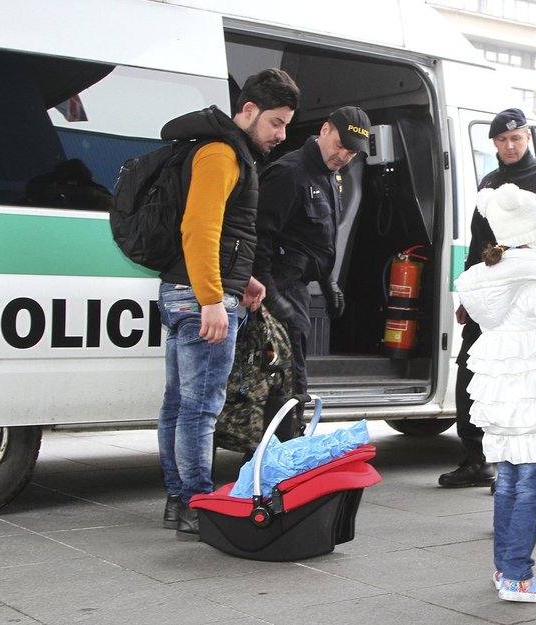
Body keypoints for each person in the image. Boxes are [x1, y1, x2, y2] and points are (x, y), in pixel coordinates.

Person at [157, 68, 300, 540]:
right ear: (249, 110)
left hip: (191, 290)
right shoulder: (221, 154)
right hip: (200, 297)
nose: (281, 135)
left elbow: (225, 236)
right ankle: (196, 504)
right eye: (275, 123)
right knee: (199, 410)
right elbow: (200, 229)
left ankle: (179, 500)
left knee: (179, 406)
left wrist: (246, 280)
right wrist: (214, 299)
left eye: (285, 125)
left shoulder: (223, 150)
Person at [455, 183, 536, 603]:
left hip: (501, 395)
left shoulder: (488, 279)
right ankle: (517, 576)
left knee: (510, 481)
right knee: (533, 484)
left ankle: (505, 568)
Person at [440, 107, 536, 489]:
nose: (509, 145)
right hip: (492, 290)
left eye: (515, 138)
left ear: (528, 138)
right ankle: (474, 456)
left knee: (525, 381)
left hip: (532, 294)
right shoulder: (489, 183)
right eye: (502, 140)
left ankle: (516, 466)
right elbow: (476, 243)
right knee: (475, 371)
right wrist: (466, 296)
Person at [253, 106, 372, 439]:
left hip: (300, 286)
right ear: (324, 129)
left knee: (293, 381)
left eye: (351, 151)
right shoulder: (290, 172)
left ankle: (282, 453)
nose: (344, 155)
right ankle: (278, 459)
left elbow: (318, 237)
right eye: (339, 144)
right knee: (287, 381)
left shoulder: (328, 174)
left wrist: (329, 282)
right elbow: (258, 239)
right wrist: (271, 294)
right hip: (278, 287)